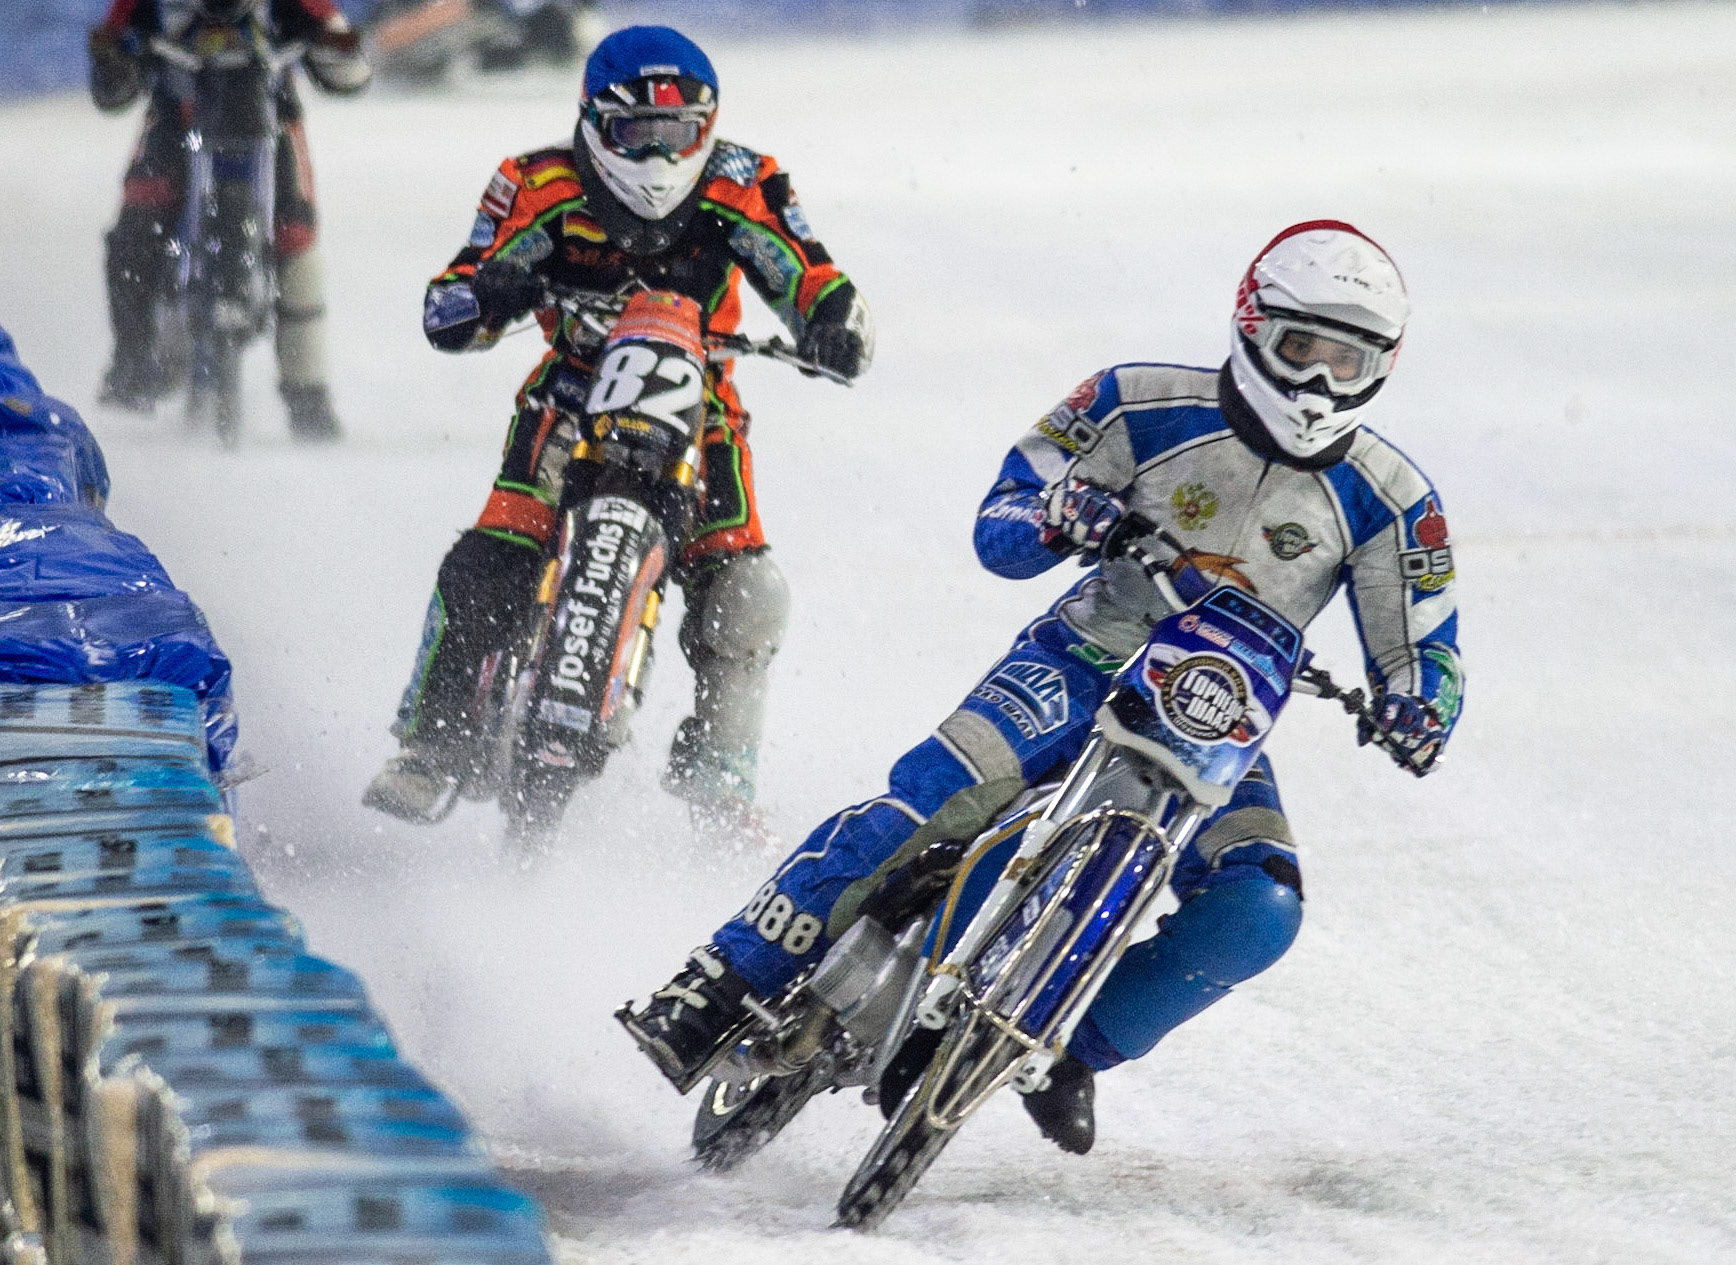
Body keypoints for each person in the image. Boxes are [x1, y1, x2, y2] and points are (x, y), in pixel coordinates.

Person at [621, 222, 1463, 1154]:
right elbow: (1002, 524)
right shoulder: (1132, 401)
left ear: (1382, 366)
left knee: (1258, 908)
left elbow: (1425, 647)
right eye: (1301, 347)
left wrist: (1419, 707)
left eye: (1348, 361)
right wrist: (1062, 515)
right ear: (1252, 324)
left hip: (1215, 718)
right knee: (928, 803)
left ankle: (1068, 1050)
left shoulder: (1393, 499)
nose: (1318, 383)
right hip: (1076, 662)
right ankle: (719, 978)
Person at [362, 26, 873, 832]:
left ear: (707, 128)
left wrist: (834, 324)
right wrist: (488, 294)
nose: (659, 156)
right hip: (569, 395)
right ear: (595, 124)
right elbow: (449, 299)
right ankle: (431, 743)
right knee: (489, 557)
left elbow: (810, 272)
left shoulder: (745, 182)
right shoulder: (534, 183)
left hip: (703, 407)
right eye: (637, 133)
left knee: (745, 592)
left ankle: (722, 777)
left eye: (677, 133)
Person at [88, 0, 369, 437]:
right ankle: (134, 360)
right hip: (177, 117)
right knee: (139, 219)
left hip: (268, 117)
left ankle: (308, 393)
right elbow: (112, 71)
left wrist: (336, 45)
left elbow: (348, 67)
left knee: (294, 232)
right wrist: (115, 57)